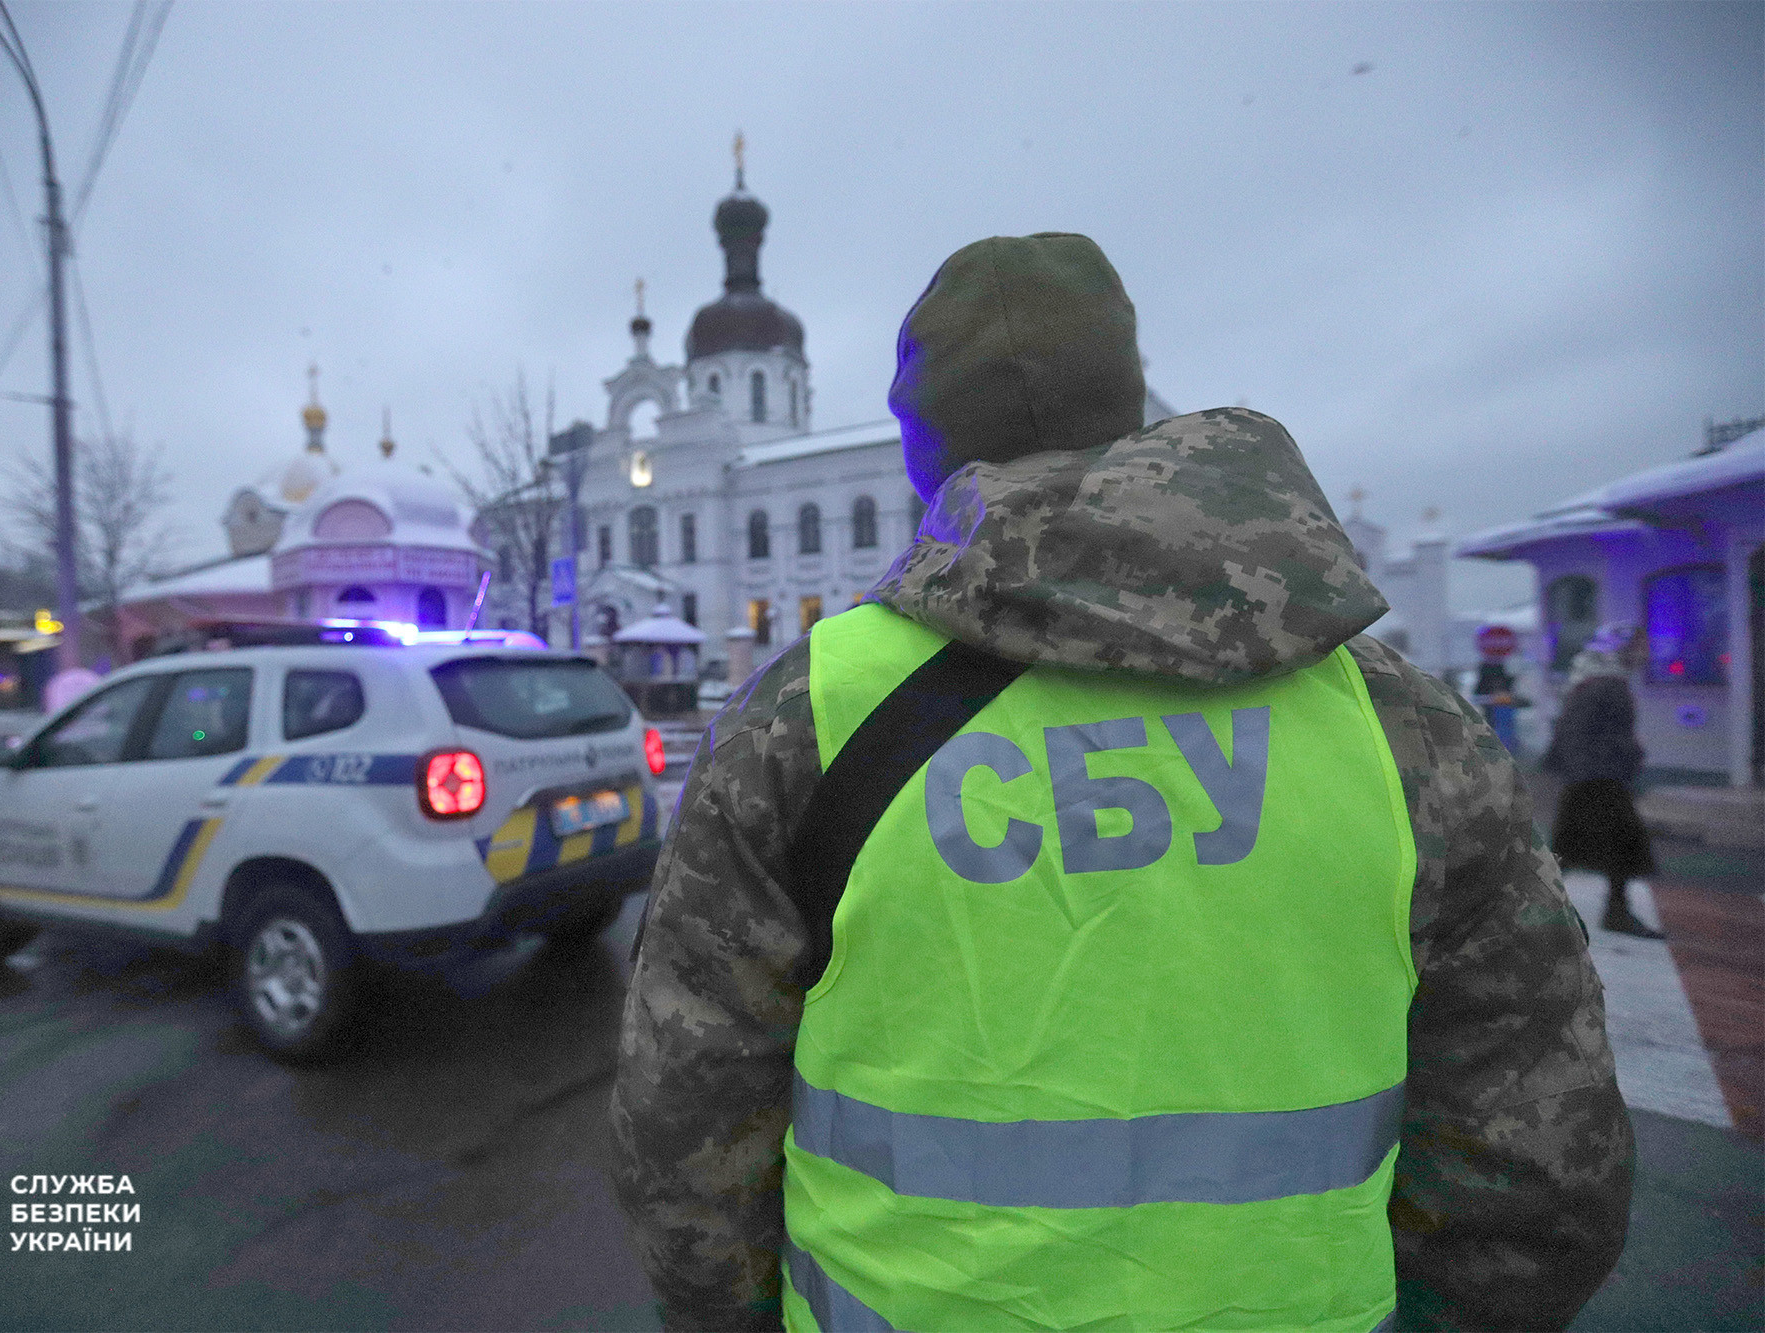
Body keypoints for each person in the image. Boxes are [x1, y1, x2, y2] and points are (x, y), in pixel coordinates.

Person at [612, 233, 1632, 1332]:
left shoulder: (801, 718)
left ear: (922, 452)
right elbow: (1539, 1157)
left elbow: (687, 1121)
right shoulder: (1400, 727)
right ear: (1131, 412)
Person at [1546, 623, 1663, 938]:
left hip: (1596, 778)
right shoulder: (1604, 684)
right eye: (1638, 645)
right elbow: (1574, 732)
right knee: (1622, 845)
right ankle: (1616, 913)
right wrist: (1595, 771)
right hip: (1598, 780)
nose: (1644, 653)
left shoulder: (1600, 681)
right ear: (1620, 648)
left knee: (1571, 848)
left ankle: (1531, 909)